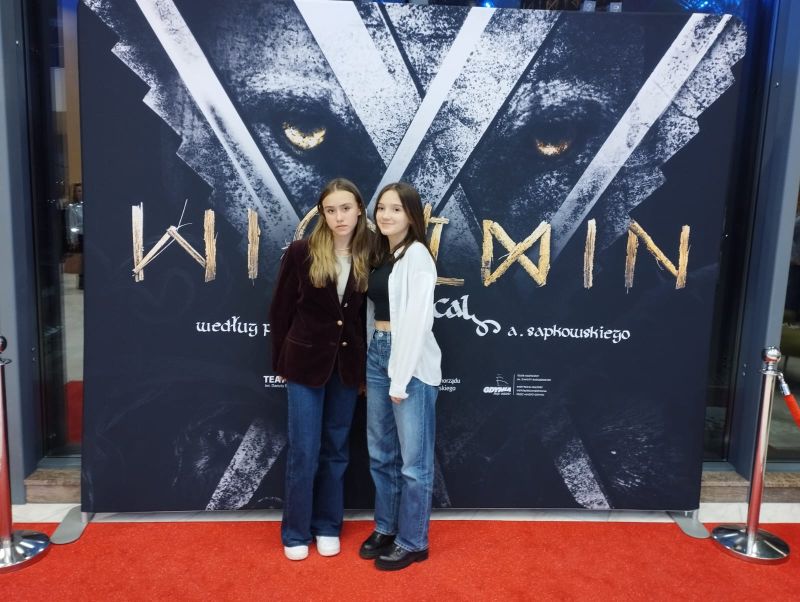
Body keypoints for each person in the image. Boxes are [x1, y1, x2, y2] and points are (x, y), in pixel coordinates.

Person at [269, 178, 371, 561]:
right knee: (304, 451)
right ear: (322, 214)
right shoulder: (302, 252)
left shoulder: (370, 254)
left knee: (337, 450)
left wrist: (363, 372)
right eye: (331, 210)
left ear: (359, 209)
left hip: (346, 368)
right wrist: (280, 362)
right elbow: (280, 311)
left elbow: (362, 320)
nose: (339, 216)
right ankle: (296, 531)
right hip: (303, 365)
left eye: (345, 208)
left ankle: (328, 525)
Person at [360, 182, 442, 571]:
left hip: (409, 362)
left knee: (413, 463)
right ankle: (386, 527)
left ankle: (413, 541)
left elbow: (417, 323)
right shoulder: (382, 255)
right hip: (378, 353)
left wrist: (400, 377)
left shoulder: (418, 256)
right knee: (381, 454)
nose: (386, 215)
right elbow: (372, 314)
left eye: (396, 209)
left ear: (411, 216)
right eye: (382, 208)